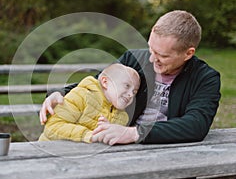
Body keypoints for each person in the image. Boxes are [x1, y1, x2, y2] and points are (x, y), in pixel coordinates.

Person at [39, 10, 221, 145]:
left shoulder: (205, 78)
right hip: (119, 148)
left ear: (188, 53)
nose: (151, 59)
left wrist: (134, 133)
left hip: (171, 148)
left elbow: (196, 124)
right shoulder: (133, 59)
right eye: (151, 49)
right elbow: (99, 83)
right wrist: (58, 93)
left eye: (162, 56)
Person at [38, 63, 140, 143]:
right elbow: (52, 127)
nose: (130, 94)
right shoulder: (82, 95)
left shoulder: (122, 117)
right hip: (49, 152)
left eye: (134, 91)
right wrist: (88, 135)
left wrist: (108, 132)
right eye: (126, 86)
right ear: (105, 82)